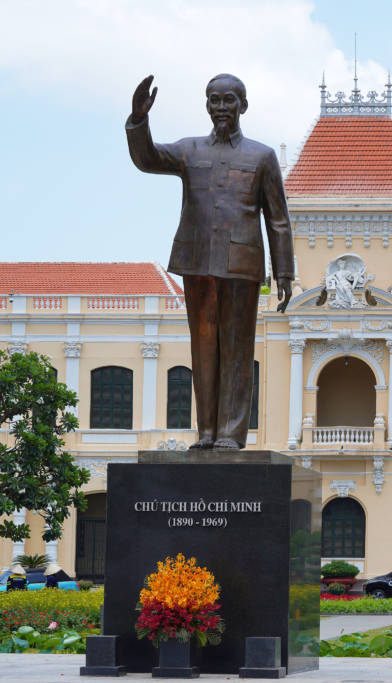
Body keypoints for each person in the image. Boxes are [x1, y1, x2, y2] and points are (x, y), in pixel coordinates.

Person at [126, 73, 294, 450]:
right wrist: (139, 119)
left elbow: (278, 219)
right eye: (214, 100)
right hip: (197, 261)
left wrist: (284, 272)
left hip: (242, 264)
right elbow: (147, 158)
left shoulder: (262, 156)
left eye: (228, 100)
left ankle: (231, 434)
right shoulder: (189, 150)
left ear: (243, 105)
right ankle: (206, 432)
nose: (221, 107)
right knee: (203, 348)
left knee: (237, 350)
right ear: (206, 105)